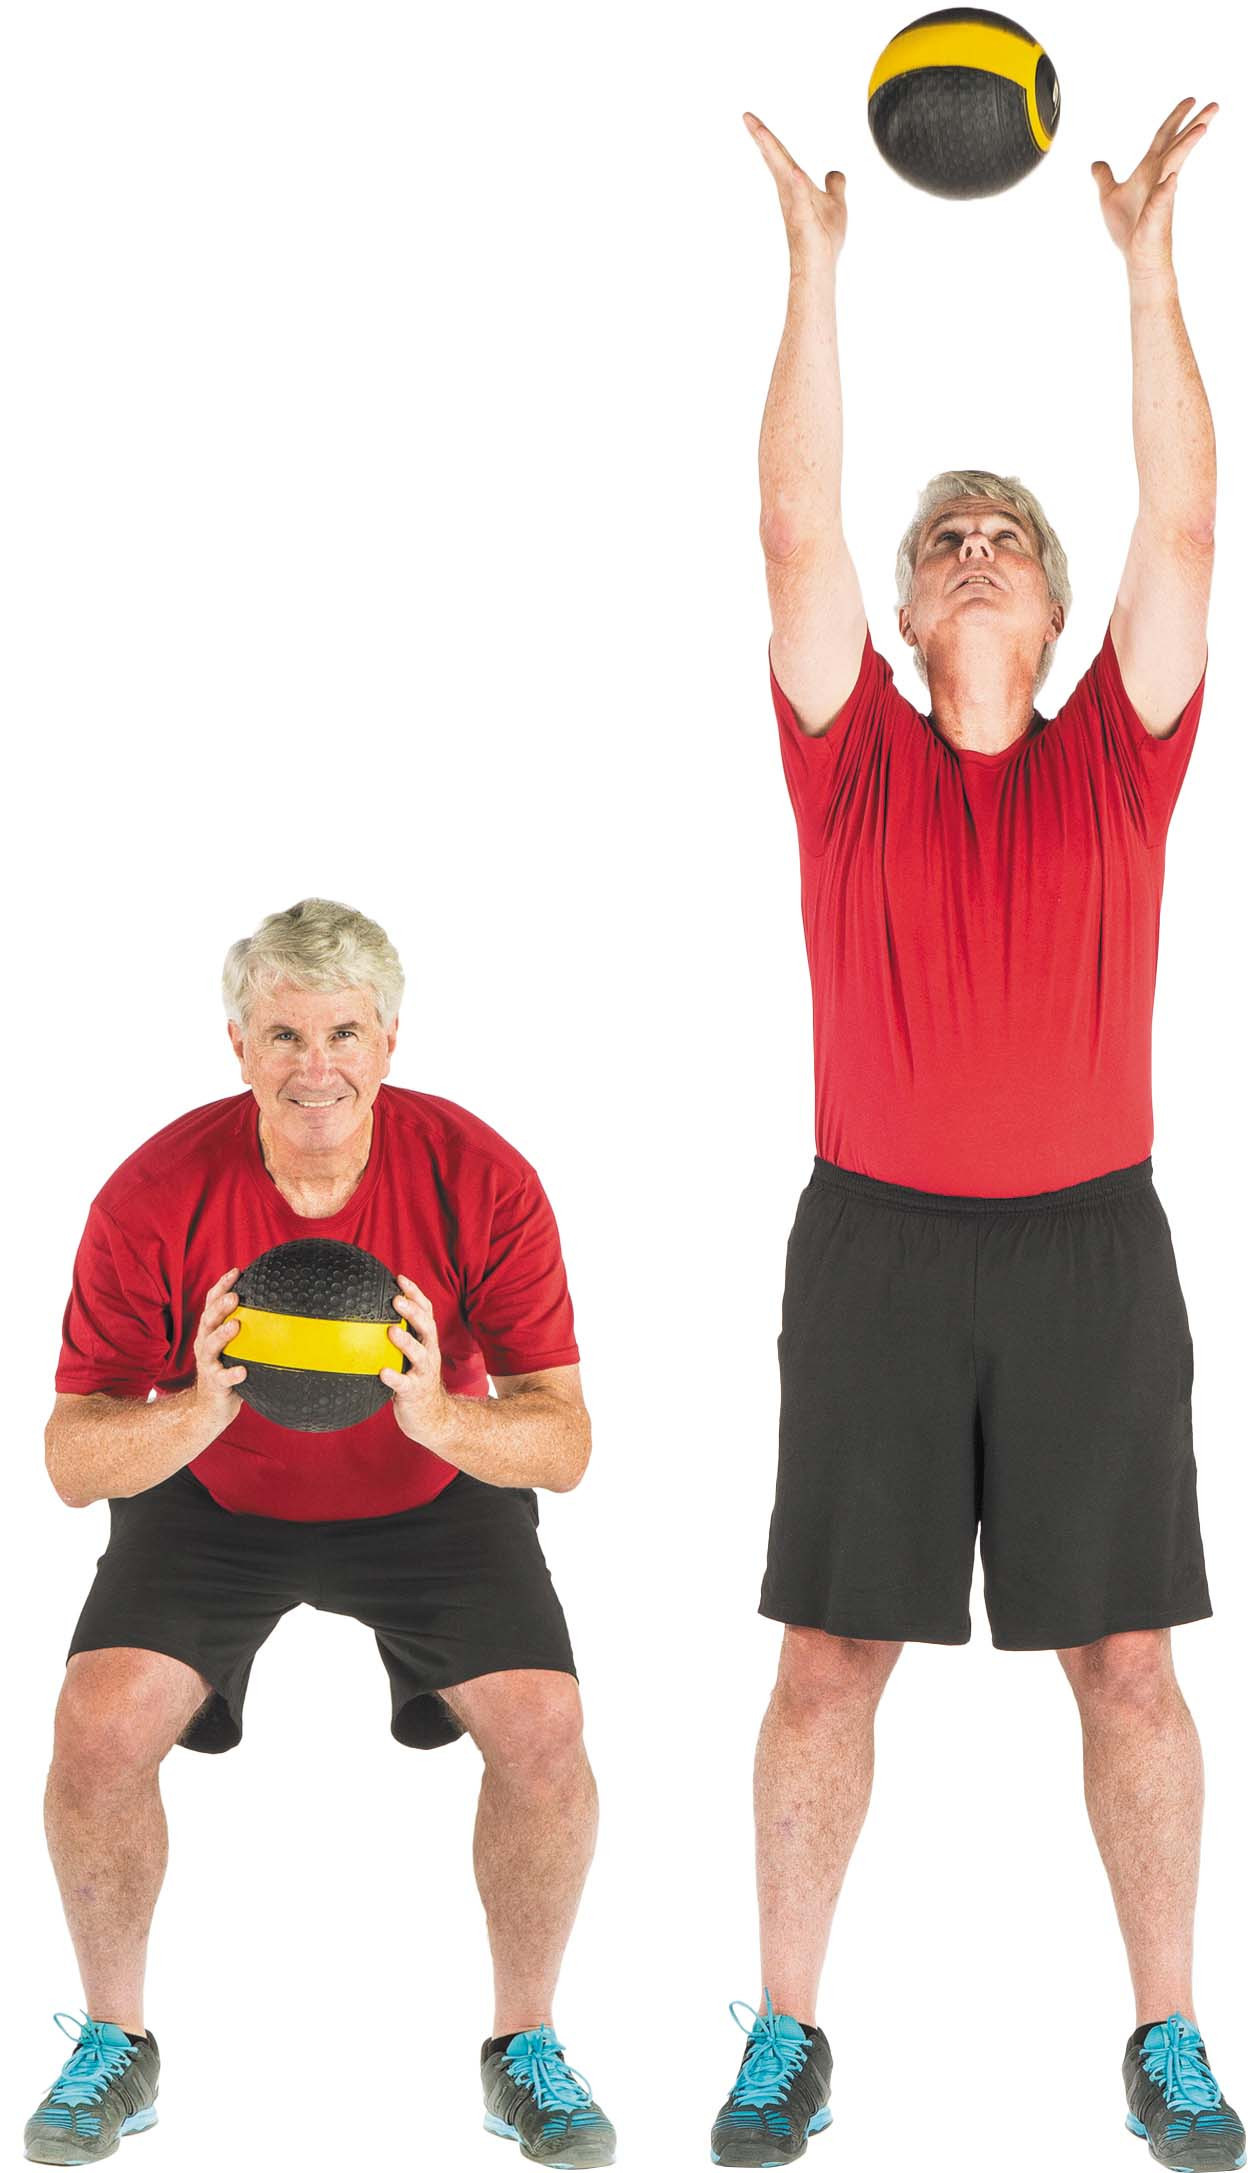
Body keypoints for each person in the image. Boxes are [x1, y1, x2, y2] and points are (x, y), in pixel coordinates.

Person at [709, 99, 1244, 2173]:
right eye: (944, 539)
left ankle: (1170, 2036)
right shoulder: (848, 760)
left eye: (1005, 530)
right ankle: (785, 2034)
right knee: (832, 1653)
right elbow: (792, 528)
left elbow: (1184, 532)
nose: (974, 547)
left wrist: (1143, 268)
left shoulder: (1122, 751)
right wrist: (817, 271)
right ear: (912, 621)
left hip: (1092, 1250)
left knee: (1125, 1659)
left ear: (1050, 593)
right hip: (878, 1248)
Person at [26, 897, 616, 2170]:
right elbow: (72, 1459)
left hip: (432, 1485)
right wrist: (197, 1406)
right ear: (238, 1044)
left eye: (344, 1032)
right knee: (99, 1723)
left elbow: (564, 1442)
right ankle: (114, 2041)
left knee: (544, 1725)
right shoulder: (153, 1194)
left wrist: (439, 1413)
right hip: (213, 1491)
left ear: (389, 1039)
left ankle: (524, 2046)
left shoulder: (481, 1177)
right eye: (284, 1034)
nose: (316, 1066)